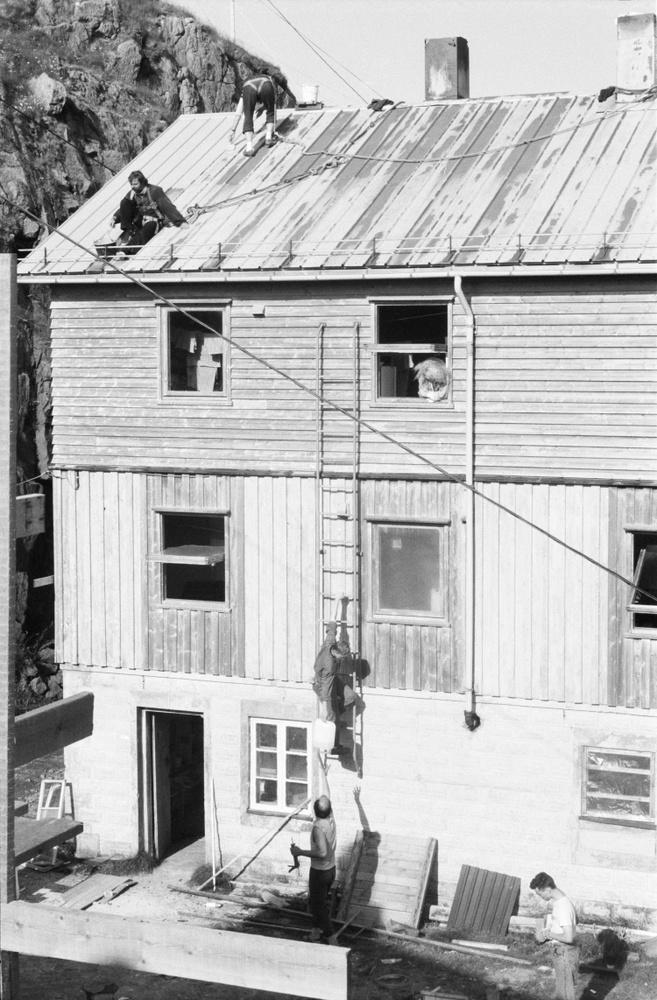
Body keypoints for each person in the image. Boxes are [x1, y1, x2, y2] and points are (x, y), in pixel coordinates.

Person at [291, 794, 337, 944]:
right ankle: (315, 933)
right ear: (330, 810)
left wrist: (300, 852)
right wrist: (324, 774)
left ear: (314, 810)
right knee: (317, 902)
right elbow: (326, 797)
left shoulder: (318, 829)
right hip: (330, 870)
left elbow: (322, 853)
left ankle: (332, 940)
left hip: (320, 872)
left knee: (319, 906)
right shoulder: (331, 820)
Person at [110, 171, 186, 256]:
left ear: (142, 183)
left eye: (135, 184)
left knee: (143, 233)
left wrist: (180, 222)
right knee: (125, 202)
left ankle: (126, 251)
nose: (132, 187)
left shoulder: (155, 191)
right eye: (131, 184)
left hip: (153, 221)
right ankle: (129, 230)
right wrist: (115, 217)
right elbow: (124, 208)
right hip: (140, 219)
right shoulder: (133, 193)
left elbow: (168, 207)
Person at [530, 871, 580, 1000]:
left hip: (564, 953)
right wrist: (551, 929)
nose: (540, 897)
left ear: (547, 889)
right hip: (563, 952)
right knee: (563, 991)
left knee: (564, 995)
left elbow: (569, 937)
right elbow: (573, 924)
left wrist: (548, 934)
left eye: (540, 894)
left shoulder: (563, 906)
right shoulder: (562, 901)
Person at [230, 71, 283, 156]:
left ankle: (249, 147)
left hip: (249, 87)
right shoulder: (270, 81)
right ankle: (269, 137)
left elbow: (238, 114)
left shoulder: (245, 88)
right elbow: (273, 108)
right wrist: (273, 129)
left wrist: (233, 131)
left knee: (248, 116)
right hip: (266, 84)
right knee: (270, 111)